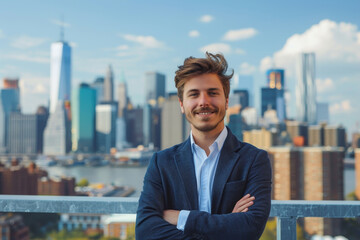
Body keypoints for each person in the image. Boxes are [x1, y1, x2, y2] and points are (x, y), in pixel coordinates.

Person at [136, 52, 272, 240]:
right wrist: (227, 222)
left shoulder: (255, 160)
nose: (204, 102)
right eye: (194, 94)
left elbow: (250, 228)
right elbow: (145, 231)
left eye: (213, 93)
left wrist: (181, 217)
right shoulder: (161, 163)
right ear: (182, 105)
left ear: (226, 101)